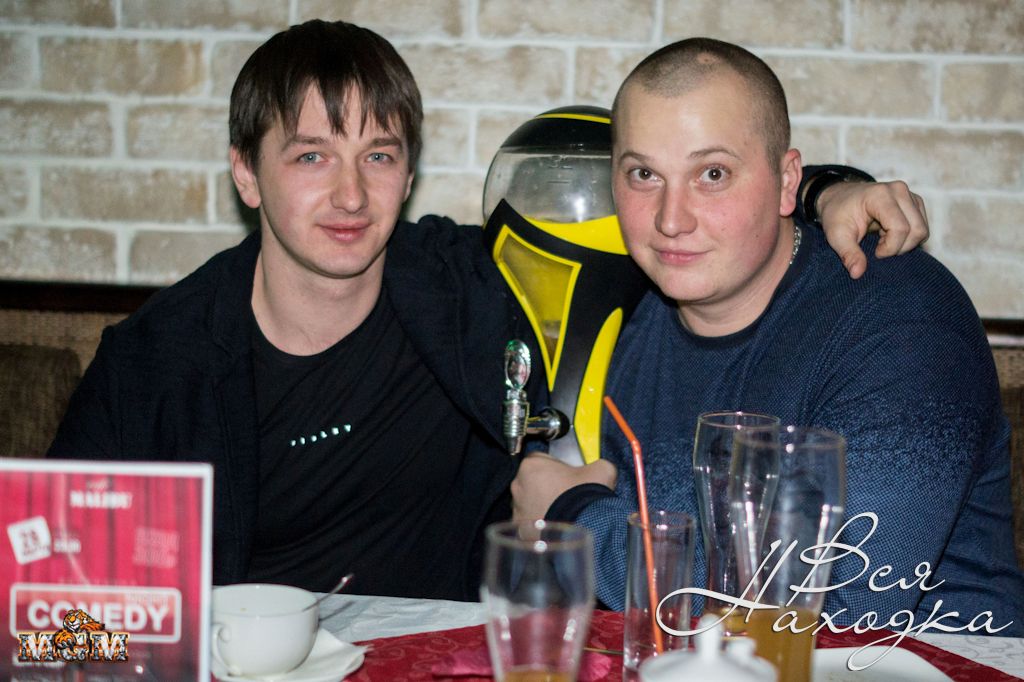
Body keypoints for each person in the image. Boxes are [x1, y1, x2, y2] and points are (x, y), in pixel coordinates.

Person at [48, 20, 928, 601]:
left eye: (379, 155)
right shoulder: (154, 365)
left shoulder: (473, 291)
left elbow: (686, 223)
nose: (350, 195)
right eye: (311, 156)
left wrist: (828, 190)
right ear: (247, 172)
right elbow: (48, 621)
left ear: (408, 170)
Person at [511, 37, 1024, 634]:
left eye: (713, 174)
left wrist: (573, 518)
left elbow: (837, 606)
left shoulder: (902, 316)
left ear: (786, 182)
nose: (671, 219)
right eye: (644, 174)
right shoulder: (617, 315)